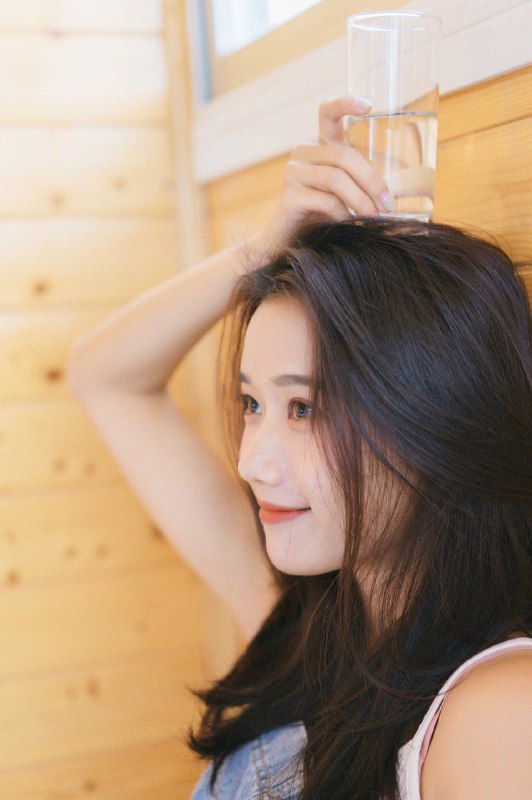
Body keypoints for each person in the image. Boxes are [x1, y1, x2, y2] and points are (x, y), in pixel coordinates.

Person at [66, 96, 532, 800]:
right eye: (253, 404)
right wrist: (264, 248)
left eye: (305, 408)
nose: (252, 461)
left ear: (435, 419)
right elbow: (102, 375)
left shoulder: (497, 711)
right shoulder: (300, 622)